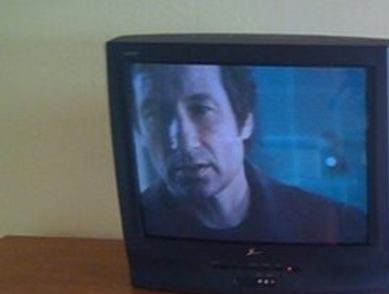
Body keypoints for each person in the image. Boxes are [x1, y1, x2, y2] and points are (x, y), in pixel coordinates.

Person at [131, 63, 365, 243]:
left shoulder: (332, 225)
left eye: (201, 110)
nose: (183, 141)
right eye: (155, 115)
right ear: (140, 133)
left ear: (245, 122)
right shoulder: (140, 221)